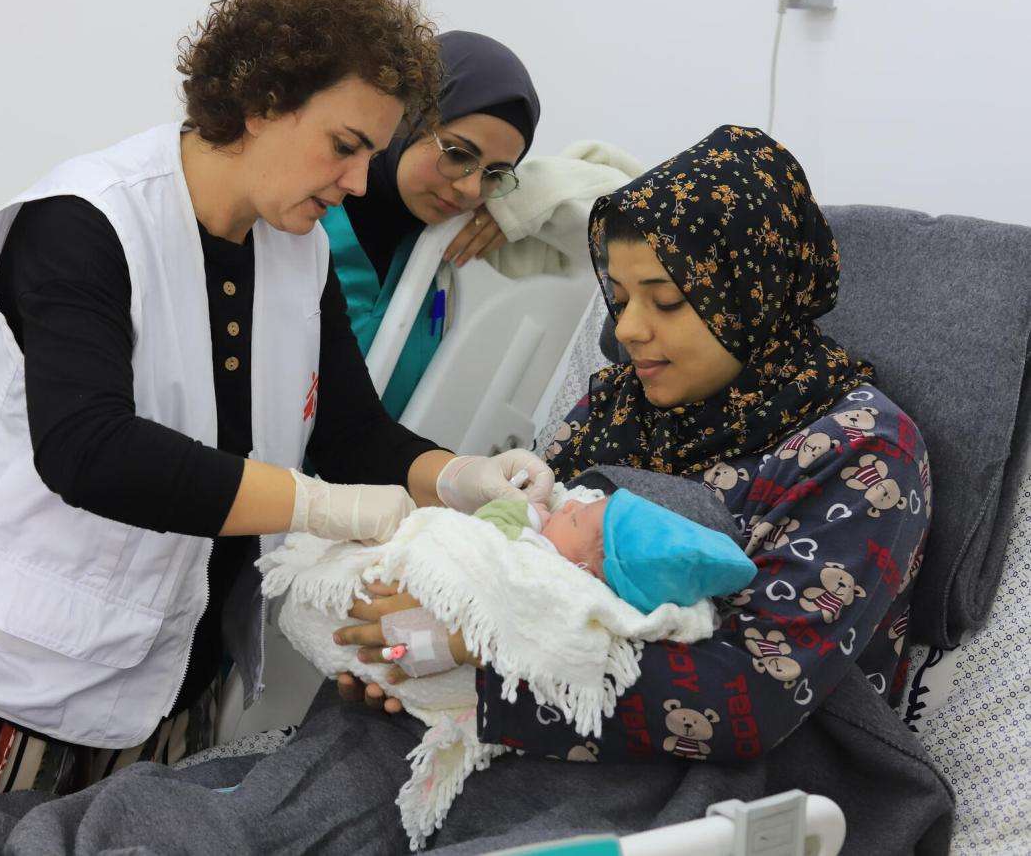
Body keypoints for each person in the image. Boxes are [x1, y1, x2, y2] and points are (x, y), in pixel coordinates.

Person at [0, 0, 551, 800]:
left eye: (372, 156)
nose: (356, 182)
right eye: (345, 146)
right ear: (262, 98)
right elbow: (87, 448)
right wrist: (320, 505)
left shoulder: (295, 248)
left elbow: (353, 433)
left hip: (174, 667)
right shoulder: (85, 222)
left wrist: (461, 477)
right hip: (13, 669)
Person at [339, 124, 930, 766]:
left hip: (720, 777)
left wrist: (481, 647)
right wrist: (397, 650)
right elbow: (522, 552)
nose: (627, 329)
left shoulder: (861, 451)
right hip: (501, 726)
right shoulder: (619, 405)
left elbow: (751, 699)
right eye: (618, 299)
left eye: (667, 301)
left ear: (752, 293)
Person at [322, 30, 540, 418]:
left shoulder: (449, 246)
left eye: (494, 175)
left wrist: (524, 207)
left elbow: (618, 208)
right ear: (407, 118)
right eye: (457, 154)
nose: (471, 189)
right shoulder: (302, 217)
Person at [474, 488, 756, 613]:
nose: (570, 504)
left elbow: (480, 533)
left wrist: (528, 514)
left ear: (585, 572)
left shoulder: (542, 561)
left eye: (575, 519)